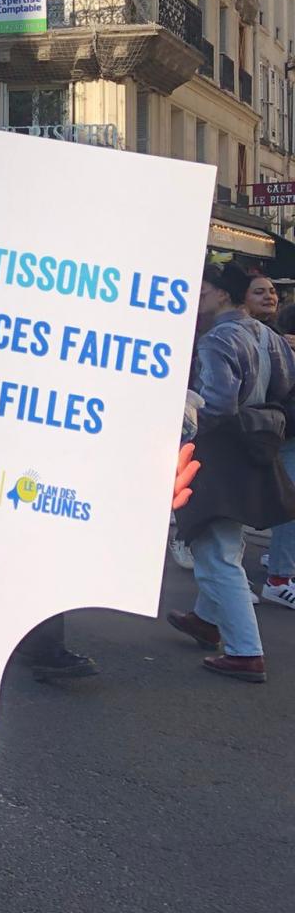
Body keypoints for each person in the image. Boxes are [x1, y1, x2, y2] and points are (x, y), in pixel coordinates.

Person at [167, 262, 295, 682]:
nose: (197, 299)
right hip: (256, 449)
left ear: (222, 295)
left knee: (214, 550)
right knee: (227, 543)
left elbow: (216, 406)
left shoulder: (216, 339)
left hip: (217, 454)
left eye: (202, 292)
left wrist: (178, 419)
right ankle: (206, 620)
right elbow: (285, 390)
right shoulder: (270, 337)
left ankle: (246, 651)